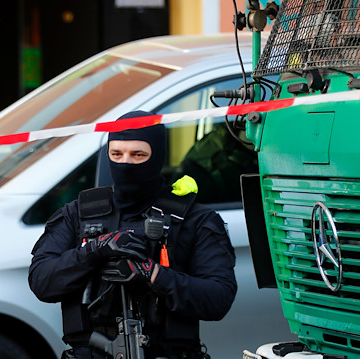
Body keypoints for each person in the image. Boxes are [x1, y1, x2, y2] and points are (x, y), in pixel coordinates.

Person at [28, 110, 237, 359]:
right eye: (116, 154)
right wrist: (95, 250)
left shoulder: (194, 219)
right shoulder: (79, 214)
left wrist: (154, 274)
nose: (125, 163)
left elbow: (218, 299)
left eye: (138, 155)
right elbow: (42, 281)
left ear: (157, 156)